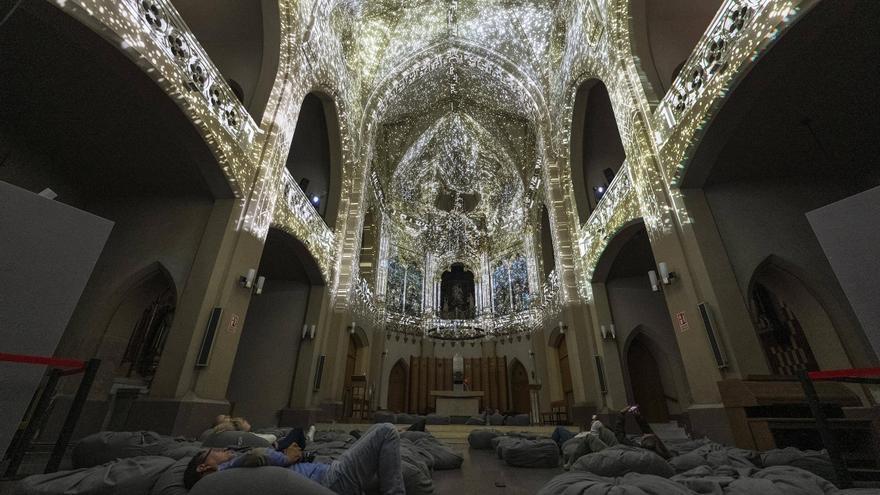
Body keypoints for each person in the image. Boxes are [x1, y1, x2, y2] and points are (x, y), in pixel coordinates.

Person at [184, 423, 405, 495]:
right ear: (204, 466)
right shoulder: (225, 472)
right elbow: (256, 456)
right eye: (214, 451)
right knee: (386, 430)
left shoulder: (228, 475)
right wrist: (285, 458)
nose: (223, 451)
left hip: (327, 471)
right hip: (331, 479)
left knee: (377, 431)